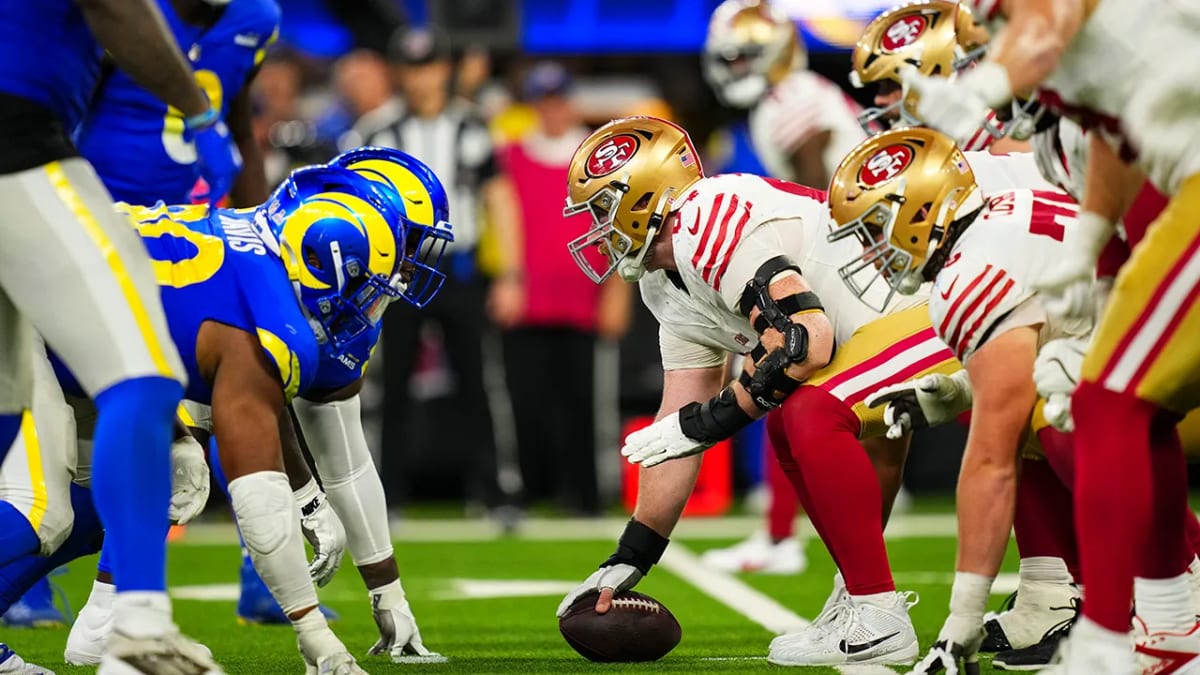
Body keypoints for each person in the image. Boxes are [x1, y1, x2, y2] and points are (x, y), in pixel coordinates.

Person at [553, 115, 977, 666]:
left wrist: (713, 421)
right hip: (878, 331)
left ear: (643, 198)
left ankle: (876, 607)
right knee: (799, 415)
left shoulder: (706, 218)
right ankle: (863, 597)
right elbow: (678, 419)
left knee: (800, 413)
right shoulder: (664, 281)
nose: (595, 227)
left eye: (602, 209)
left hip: (937, 305)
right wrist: (632, 555)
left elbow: (803, 342)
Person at [0, 158, 452, 673]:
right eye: (400, 252)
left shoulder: (265, 264)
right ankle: (122, 624)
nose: (400, 277)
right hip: (24, 296)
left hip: (65, 310)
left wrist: (182, 434)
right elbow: (258, 491)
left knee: (109, 496)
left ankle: (114, 627)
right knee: (41, 508)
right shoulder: (268, 318)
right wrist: (316, 636)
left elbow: (185, 339)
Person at [897, 0, 1200, 670]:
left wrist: (976, 89)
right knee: (1119, 406)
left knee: (1108, 406)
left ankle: (1105, 637)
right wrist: (1086, 260)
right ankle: (1173, 625)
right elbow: (1115, 155)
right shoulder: (1056, 129)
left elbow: (1044, 29)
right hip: (1171, 204)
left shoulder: (1040, 39)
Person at [2, 0, 293, 633]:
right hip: (49, 184)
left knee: (38, 448)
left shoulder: (253, 19)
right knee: (128, 412)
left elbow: (240, 129)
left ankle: (112, 613)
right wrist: (198, 109)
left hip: (130, 220)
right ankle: (136, 627)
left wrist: (252, 225)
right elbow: (115, 9)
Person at [362, 25, 522, 513]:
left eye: (429, 67)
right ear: (398, 73)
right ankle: (387, 495)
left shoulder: (471, 128)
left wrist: (512, 274)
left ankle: (493, 492)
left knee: (477, 382)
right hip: (398, 269)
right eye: (413, 69)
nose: (422, 80)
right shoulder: (375, 131)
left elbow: (499, 198)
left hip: (460, 268)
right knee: (393, 388)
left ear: (444, 71)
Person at [496, 62, 632, 515]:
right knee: (525, 404)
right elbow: (502, 220)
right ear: (534, 106)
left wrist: (618, 292)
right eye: (544, 101)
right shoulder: (510, 156)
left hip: (582, 302)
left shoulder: (597, 164)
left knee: (585, 405)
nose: (553, 110)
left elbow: (621, 228)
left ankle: (587, 495)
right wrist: (506, 280)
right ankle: (531, 490)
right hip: (528, 302)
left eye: (559, 100)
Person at [703, 0, 865, 189]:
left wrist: (812, 217)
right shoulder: (792, 90)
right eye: (728, 60)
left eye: (741, 57)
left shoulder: (791, 94)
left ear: (773, 51)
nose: (732, 68)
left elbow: (812, 176)